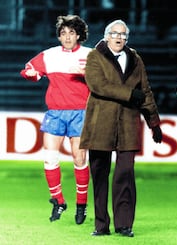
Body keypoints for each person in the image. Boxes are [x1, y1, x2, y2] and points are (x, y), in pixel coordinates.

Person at [79, 19, 162, 237]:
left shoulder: (135, 58)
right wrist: (128, 94)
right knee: (99, 175)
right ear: (107, 35)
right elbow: (98, 85)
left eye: (124, 35)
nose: (119, 38)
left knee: (125, 173)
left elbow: (145, 90)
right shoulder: (94, 56)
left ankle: (124, 224)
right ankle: (101, 224)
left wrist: (154, 122)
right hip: (100, 124)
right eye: (115, 33)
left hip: (128, 123)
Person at [20, 15, 92, 224]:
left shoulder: (91, 55)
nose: (67, 37)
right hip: (55, 113)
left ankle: (81, 205)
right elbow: (27, 71)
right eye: (63, 33)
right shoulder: (49, 55)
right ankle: (59, 201)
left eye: (71, 33)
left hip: (80, 113)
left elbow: (104, 80)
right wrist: (32, 74)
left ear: (78, 35)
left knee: (79, 160)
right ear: (59, 37)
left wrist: (87, 74)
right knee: (49, 158)